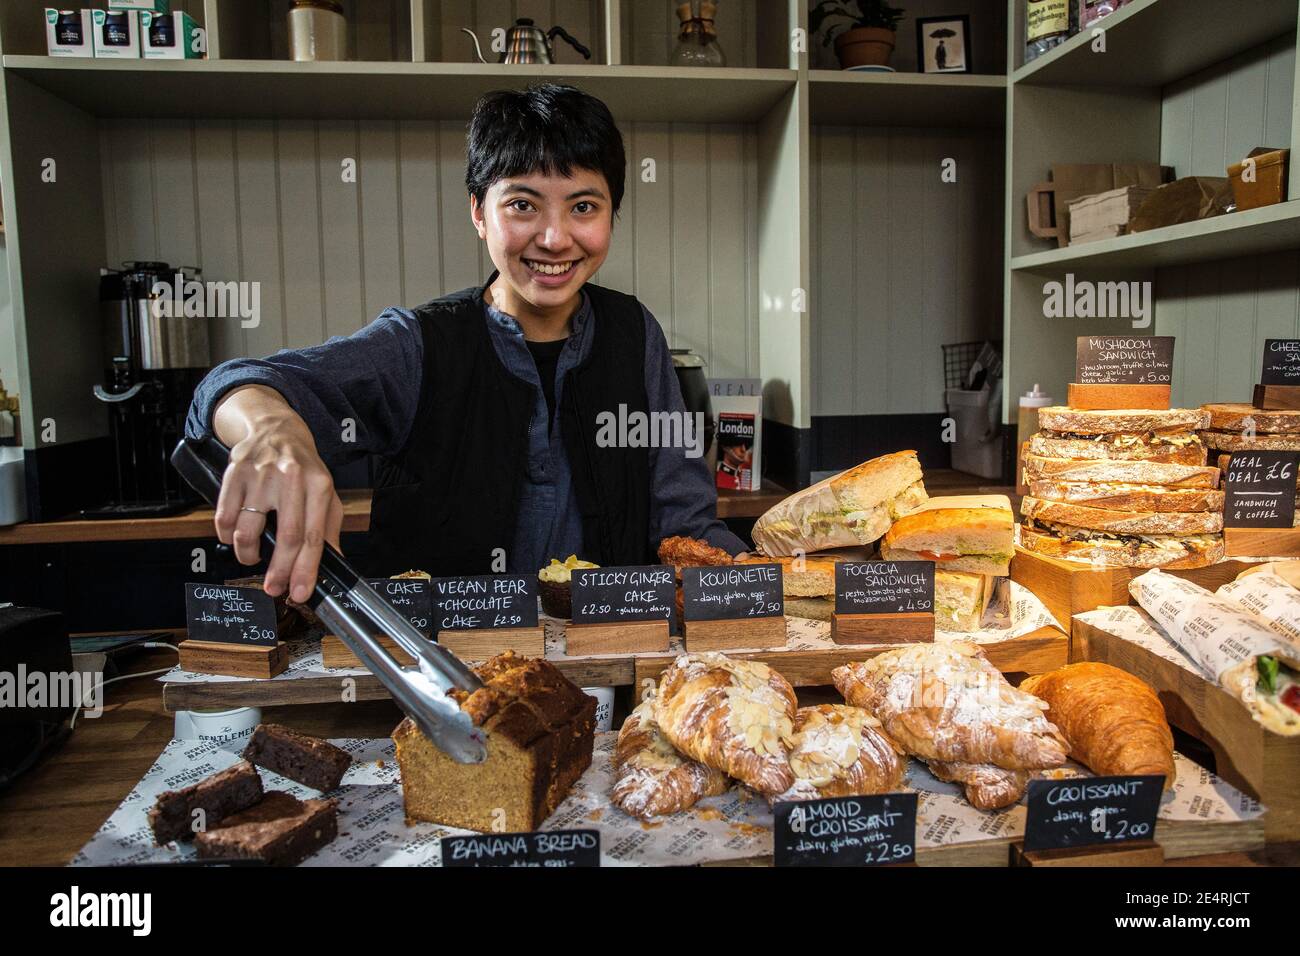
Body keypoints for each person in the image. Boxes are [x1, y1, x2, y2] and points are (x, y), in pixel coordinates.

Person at [185, 84, 747, 605]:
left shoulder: (635, 334)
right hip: (441, 675)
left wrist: (768, 577)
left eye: (583, 207)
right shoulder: (420, 344)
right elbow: (233, 385)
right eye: (523, 205)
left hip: (612, 670)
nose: (554, 239)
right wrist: (273, 429)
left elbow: (686, 527)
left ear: (611, 215)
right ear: (479, 212)